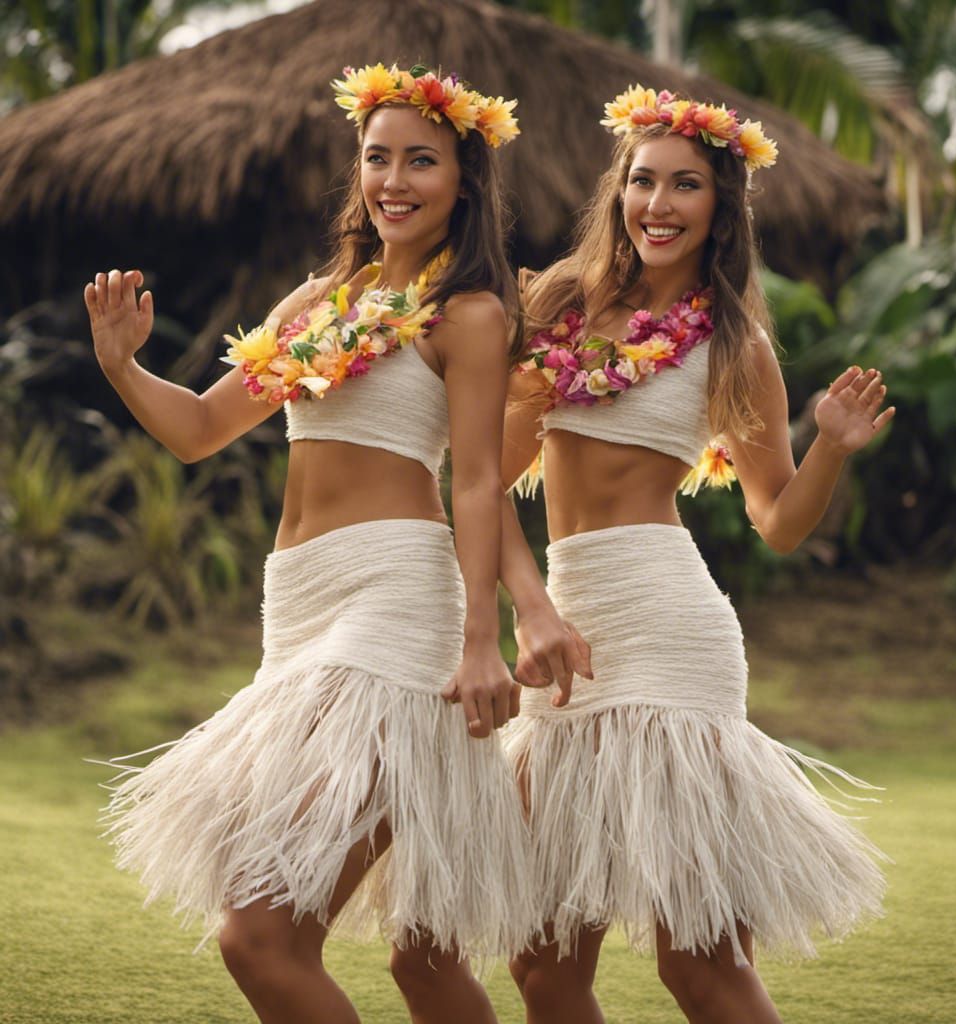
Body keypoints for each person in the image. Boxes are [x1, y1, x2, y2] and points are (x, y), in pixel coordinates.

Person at [85, 64, 583, 1024]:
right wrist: (122, 367)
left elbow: (477, 481)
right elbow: (196, 429)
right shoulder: (317, 302)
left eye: (422, 161)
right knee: (423, 963)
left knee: (260, 930)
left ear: (465, 182)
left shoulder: (469, 313)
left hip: (395, 604)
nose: (394, 180)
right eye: (377, 157)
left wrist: (487, 637)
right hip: (299, 605)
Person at [498, 85, 892, 1024]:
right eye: (642, 182)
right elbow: (486, 474)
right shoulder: (554, 304)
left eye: (686, 186)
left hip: (672, 636)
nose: (659, 204)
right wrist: (521, 603)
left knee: (700, 961)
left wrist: (829, 444)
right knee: (543, 969)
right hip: (566, 631)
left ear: (722, 208)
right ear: (618, 191)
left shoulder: (732, 343)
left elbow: (779, 521)